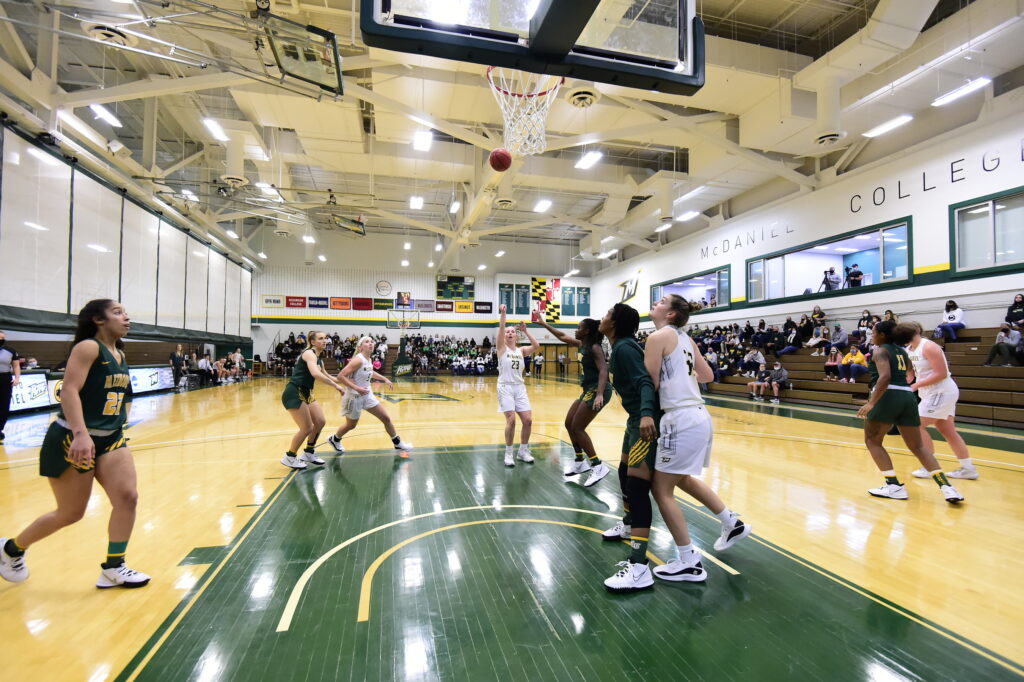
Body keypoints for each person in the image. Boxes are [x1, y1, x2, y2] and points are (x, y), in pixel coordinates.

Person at [0, 299, 150, 588]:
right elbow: (68, 390)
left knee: (128, 498)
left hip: (111, 437)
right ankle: (11, 550)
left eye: (126, 312)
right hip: (73, 436)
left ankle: (114, 567)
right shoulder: (88, 347)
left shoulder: (119, 352)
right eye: (117, 312)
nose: (126, 317)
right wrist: (81, 434)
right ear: (98, 319)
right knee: (71, 513)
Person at [635, 294, 750, 586]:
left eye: (661, 302)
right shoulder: (687, 339)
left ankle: (688, 561)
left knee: (661, 490)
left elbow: (651, 382)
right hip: (699, 415)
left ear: (671, 314)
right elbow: (708, 374)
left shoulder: (657, 337)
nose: (655, 304)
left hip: (679, 418)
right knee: (681, 478)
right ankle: (731, 522)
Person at [855, 321, 964, 503]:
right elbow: (910, 373)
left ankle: (894, 486)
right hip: (907, 397)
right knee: (918, 446)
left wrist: (872, 402)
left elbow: (885, 376)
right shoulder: (904, 352)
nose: (871, 335)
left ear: (882, 335)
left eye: (873, 332)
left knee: (873, 441)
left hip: (887, 395)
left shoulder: (880, 350)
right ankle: (947, 488)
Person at [596, 303, 659, 591]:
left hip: (644, 420)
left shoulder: (624, 348)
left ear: (616, 322)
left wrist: (646, 414)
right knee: (624, 472)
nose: (602, 317)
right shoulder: (617, 345)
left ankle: (639, 565)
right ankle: (628, 523)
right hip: (634, 419)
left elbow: (645, 381)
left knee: (637, 486)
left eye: (607, 314)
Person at [535, 317, 612, 486]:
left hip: (599, 390)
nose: (575, 330)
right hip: (588, 390)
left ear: (587, 331)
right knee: (569, 423)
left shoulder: (595, 347)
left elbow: (603, 371)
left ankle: (597, 465)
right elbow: (561, 336)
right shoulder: (582, 345)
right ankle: (580, 461)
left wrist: (599, 394)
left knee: (578, 427)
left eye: (578, 327)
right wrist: (542, 323)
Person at [897, 322, 975, 482]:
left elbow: (941, 373)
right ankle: (968, 469)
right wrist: (905, 382)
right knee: (947, 430)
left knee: (916, 425)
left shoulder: (929, 347)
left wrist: (916, 385)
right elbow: (911, 372)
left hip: (941, 391)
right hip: (930, 393)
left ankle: (929, 466)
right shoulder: (908, 350)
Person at [327, 335, 413, 460]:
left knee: (386, 418)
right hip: (354, 397)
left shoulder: (368, 359)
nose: (371, 343)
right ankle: (334, 439)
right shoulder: (358, 359)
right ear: (360, 347)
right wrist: (357, 388)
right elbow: (341, 376)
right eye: (367, 342)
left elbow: (370, 372)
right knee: (351, 425)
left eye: (372, 342)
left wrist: (384, 378)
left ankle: (398, 443)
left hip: (367, 395)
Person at [280, 332, 346, 469]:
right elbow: (315, 374)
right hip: (294, 391)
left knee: (320, 422)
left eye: (325, 338)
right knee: (307, 428)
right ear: (313, 342)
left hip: (307, 392)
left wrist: (347, 380)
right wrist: (335, 386)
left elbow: (326, 375)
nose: (325, 341)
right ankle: (290, 456)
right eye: (321, 338)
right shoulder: (309, 353)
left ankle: (309, 452)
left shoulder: (319, 359)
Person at [495, 305, 539, 467]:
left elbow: (536, 346)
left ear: (516, 335)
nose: (509, 333)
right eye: (507, 331)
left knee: (527, 420)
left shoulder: (521, 350)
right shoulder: (501, 348)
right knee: (511, 421)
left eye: (512, 331)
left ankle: (523, 451)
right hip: (505, 387)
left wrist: (526, 331)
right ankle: (508, 453)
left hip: (519, 387)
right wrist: (504, 313)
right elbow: (501, 327)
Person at [0, 330, 22, 444]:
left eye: (3, 338)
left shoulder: (10, 351)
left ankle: (0, 429)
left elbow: (16, 365)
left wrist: (17, 378)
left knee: (4, 405)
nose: (1, 340)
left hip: (5, 378)